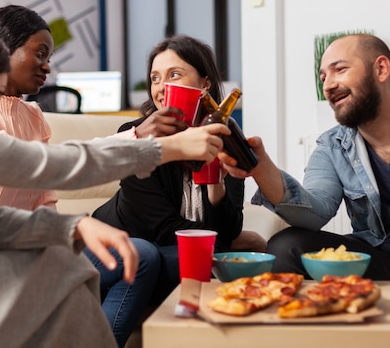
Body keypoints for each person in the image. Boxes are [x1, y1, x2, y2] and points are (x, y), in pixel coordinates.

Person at [0, 18, 230, 348]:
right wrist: (164, 148)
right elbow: (59, 165)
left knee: (62, 264)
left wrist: (73, 225)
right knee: (61, 265)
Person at [219, 33, 390, 348]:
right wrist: (260, 167)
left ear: (381, 69)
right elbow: (314, 212)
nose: (328, 84)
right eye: (323, 76)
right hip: (375, 266)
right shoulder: (331, 147)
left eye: (339, 70)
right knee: (285, 244)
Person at [0, 4, 160, 348]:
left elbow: (45, 199)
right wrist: (136, 136)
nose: (48, 66)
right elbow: (42, 163)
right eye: (40, 54)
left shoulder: (34, 116)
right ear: (1, 50)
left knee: (140, 255)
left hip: (36, 249)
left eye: (50, 55)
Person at [93, 34, 266, 302]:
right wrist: (226, 242)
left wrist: (216, 185)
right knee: (208, 261)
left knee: (232, 257)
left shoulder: (225, 138)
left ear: (205, 83)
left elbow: (230, 227)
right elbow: (162, 228)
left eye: (174, 74)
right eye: (155, 78)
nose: (161, 87)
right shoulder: (135, 135)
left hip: (168, 249)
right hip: (125, 248)